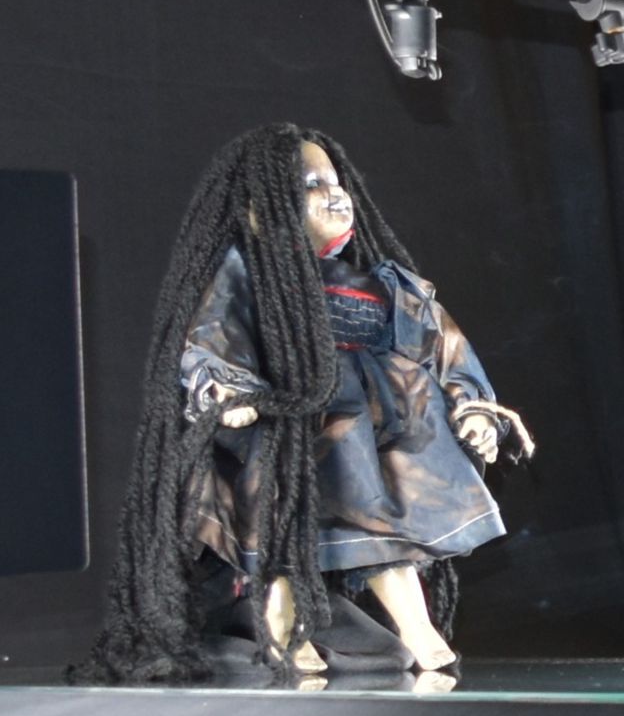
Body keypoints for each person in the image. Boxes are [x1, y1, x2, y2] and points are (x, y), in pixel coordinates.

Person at [93, 123, 528, 681]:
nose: (335, 193)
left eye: (336, 180)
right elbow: (211, 335)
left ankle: (418, 631)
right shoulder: (250, 279)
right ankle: (283, 637)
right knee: (282, 541)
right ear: (260, 210)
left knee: (384, 542)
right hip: (292, 439)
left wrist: (470, 405)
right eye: (311, 184)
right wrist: (229, 392)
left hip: (380, 438)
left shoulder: (382, 283)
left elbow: (441, 346)